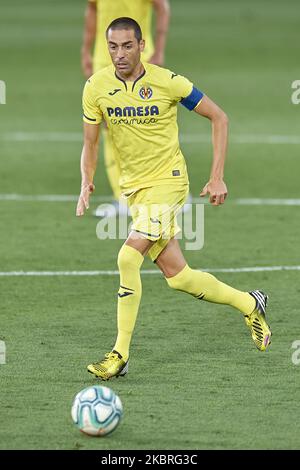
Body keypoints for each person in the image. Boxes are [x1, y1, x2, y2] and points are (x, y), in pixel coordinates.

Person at [76, 17, 272, 381]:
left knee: (127, 256)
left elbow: (220, 118)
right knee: (179, 277)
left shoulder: (168, 82)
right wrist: (86, 180)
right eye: (113, 47)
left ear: (142, 46)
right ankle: (250, 303)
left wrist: (216, 176)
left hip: (169, 181)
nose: (120, 54)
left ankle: (120, 354)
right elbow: (90, 142)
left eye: (127, 46)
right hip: (135, 190)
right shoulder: (96, 87)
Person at [81, 0, 170, 216]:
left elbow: (162, 7)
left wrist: (159, 49)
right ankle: (122, 196)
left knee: (146, 125)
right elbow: (92, 9)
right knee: (108, 128)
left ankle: (165, 190)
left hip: (139, 60)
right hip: (105, 61)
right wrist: (86, 49)